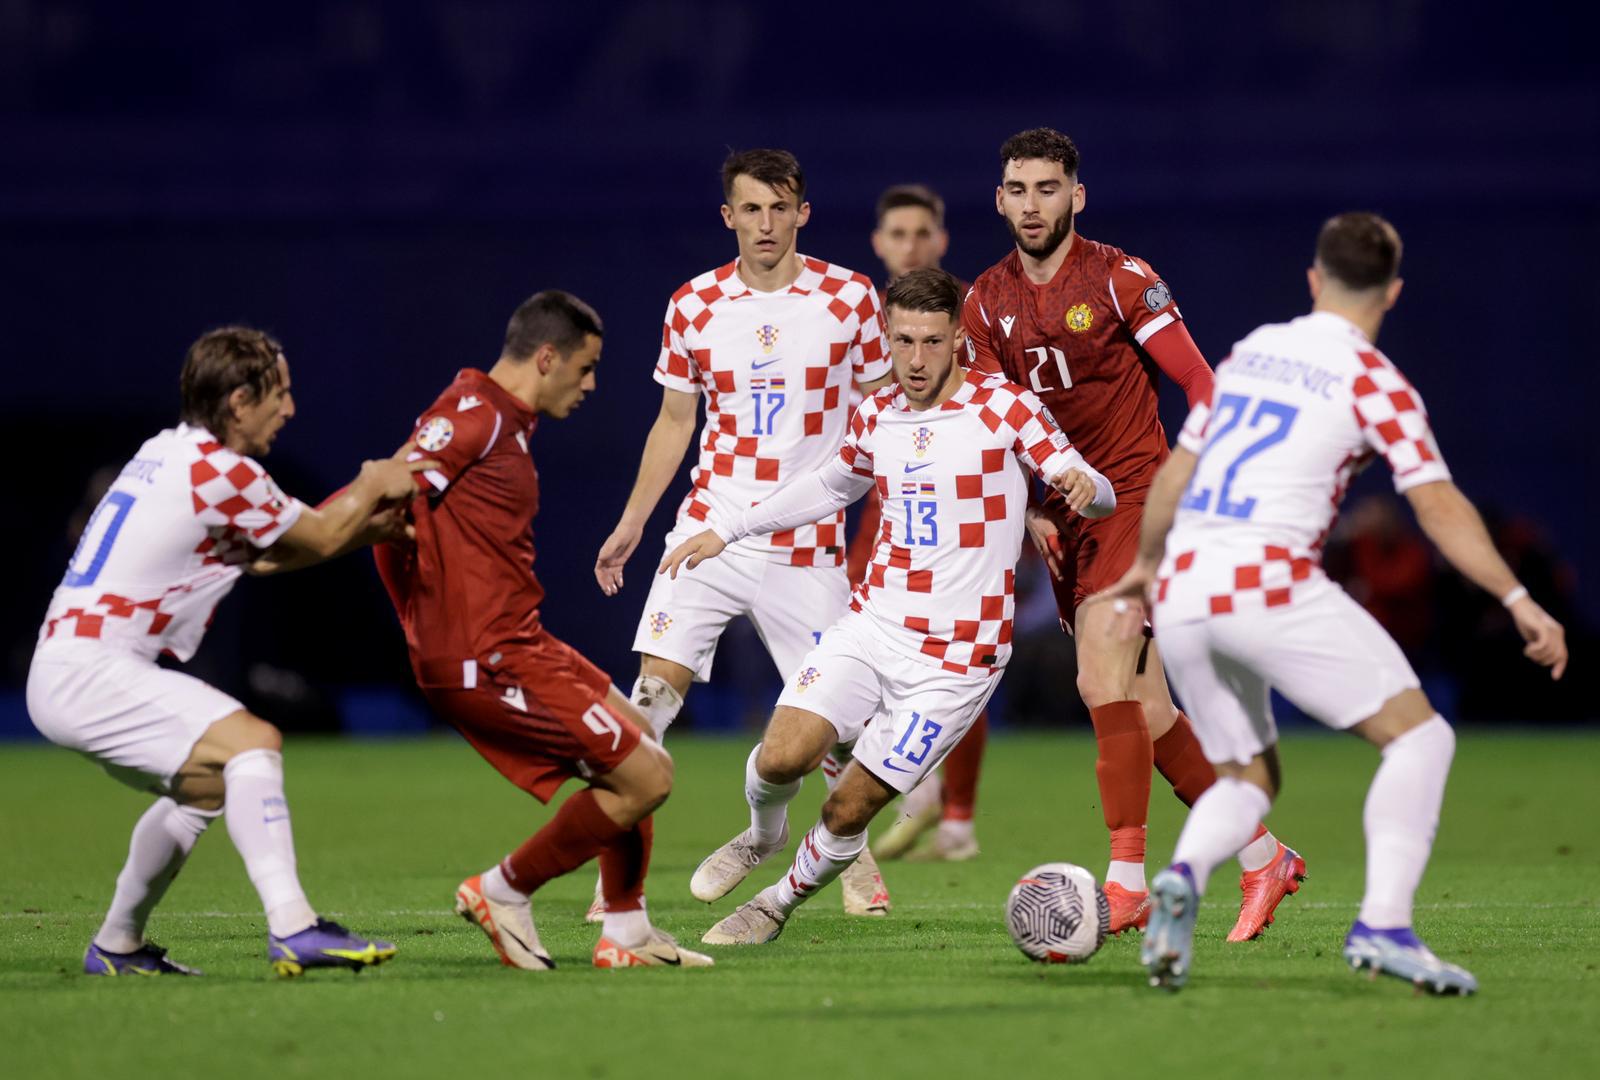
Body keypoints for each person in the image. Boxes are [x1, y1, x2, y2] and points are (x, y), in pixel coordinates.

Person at [1095, 212, 1567, 993]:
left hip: (1182, 589)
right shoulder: (1376, 381)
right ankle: (1384, 925)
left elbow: (1178, 469)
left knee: (1246, 777)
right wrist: (1516, 595)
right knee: (1421, 740)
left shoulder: (1252, 352)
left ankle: (1183, 875)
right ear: (1393, 292)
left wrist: (1145, 566)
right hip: (1266, 583)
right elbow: (1436, 502)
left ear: (1314, 280)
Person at [663, 268, 1115, 945]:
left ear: (958, 339)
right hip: (873, 628)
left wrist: (1086, 485)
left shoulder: (1005, 408)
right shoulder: (876, 415)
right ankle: (763, 834)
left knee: (848, 809)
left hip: (958, 660)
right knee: (780, 758)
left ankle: (773, 906)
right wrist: (729, 528)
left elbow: (1094, 488)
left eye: (932, 341)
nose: (916, 359)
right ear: (886, 338)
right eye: (902, 342)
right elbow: (829, 485)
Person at [964, 127, 1300, 938]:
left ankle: (1125, 880)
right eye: (1019, 189)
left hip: (1140, 500)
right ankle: (1264, 857)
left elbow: (1200, 383)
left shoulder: (1121, 279)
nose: (1033, 204)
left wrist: (1196, 479)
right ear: (1000, 199)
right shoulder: (983, 302)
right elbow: (996, 424)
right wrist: (1031, 509)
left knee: (1098, 678)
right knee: (1146, 710)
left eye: (1049, 188)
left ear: (1076, 196)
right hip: (1067, 519)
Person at [27, 326, 418, 977]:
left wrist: (364, 529)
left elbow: (269, 556)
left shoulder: (167, 452)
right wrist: (376, 479)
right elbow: (320, 535)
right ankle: (294, 927)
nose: (289, 408)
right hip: (92, 669)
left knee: (207, 785)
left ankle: (117, 945)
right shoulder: (222, 471)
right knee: (252, 741)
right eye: (279, 393)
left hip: (71, 663)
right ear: (239, 401)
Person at [593, 148, 896, 917]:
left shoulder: (850, 298)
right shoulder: (693, 304)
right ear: (728, 216)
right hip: (709, 529)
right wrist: (634, 520)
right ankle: (615, 881)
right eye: (751, 209)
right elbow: (674, 422)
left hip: (808, 542)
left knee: (840, 730)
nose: (766, 223)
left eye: (779, 207)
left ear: (803, 213)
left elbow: (884, 417)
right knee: (649, 699)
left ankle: (848, 853)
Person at [372, 291, 711, 971]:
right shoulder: (473, 418)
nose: (592, 385)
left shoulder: (503, 419)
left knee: (642, 742)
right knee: (646, 779)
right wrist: (414, 615)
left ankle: (627, 932)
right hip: (487, 657)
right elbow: (382, 495)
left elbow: (397, 523)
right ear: (548, 357)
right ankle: (503, 889)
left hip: (520, 641)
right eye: (586, 368)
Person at [860, 183, 989, 865]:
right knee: (867, 645)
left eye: (921, 234)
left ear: (940, 240)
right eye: (897, 234)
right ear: (879, 243)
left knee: (961, 653)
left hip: (962, 508)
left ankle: (956, 816)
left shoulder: (971, 312)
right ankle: (925, 786)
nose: (909, 245)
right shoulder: (862, 314)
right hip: (885, 507)